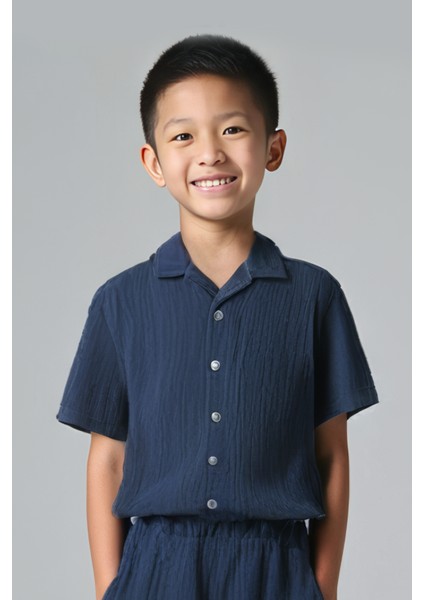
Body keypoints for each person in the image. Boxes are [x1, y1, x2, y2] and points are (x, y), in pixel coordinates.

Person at [57, 34, 379, 600]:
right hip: (156, 568)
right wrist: (111, 589)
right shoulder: (120, 302)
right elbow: (107, 459)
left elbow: (331, 453)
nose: (210, 153)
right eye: (183, 135)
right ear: (154, 162)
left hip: (276, 568)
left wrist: (322, 587)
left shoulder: (315, 296)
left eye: (232, 129)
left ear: (273, 148)